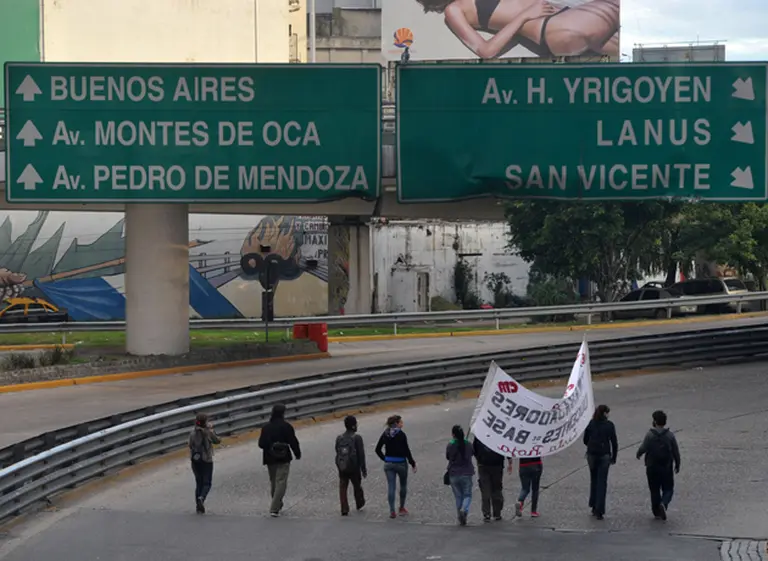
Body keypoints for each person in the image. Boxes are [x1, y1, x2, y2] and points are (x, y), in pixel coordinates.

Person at [413, 0, 619, 59]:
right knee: (627, 7)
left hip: (564, 20)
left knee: (636, 47)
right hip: (554, 26)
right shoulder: (453, 10)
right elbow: (486, 51)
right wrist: (525, 16)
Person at [636, 410, 681, 521]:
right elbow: (675, 451)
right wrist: (677, 463)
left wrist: (638, 454)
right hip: (666, 466)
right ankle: (664, 503)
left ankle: (656, 511)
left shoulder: (650, 434)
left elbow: (643, 447)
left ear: (655, 421)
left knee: (654, 489)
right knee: (668, 488)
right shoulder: (670, 435)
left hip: (652, 466)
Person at [258, 403, 302, 517]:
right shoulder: (286, 426)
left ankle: (277, 503)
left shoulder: (266, 427)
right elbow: (293, 441)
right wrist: (297, 453)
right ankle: (274, 508)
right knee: (281, 482)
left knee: (273, 482)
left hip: (269, 457)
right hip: (284, 457)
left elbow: (261, 444)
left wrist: (271, 446)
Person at [375, 415, 417, 518]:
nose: (402, 423)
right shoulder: (401, 435)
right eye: (401, 422)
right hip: (401, 463)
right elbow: (407, 451)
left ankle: (392, 511)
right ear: (397, 423)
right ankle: (401, 508)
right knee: (403, 486)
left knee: (391, 487)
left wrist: (385, 458)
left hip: (389, 463)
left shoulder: (385, 434)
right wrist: (412, 463)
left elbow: (377, 449)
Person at [583, 404, 618, 520]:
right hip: (604, 455)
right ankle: (600, 509)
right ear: (604, 413)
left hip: (592, 455)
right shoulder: (609, 425)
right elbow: (614, 442)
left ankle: (593, 504)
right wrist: (614, 457)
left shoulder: (591, 423)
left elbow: (585, 440)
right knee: (602, 482)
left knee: (594, 479)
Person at [188, 412, 221, 514]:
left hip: (195, 460)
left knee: (199, 482)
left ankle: (198, 505)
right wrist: (212, 430)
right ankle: (202, 498)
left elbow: (190, 445)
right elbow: (217, 441)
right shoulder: (208, 433)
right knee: (207, 482)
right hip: (206, 460)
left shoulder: (192, 433)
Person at [335, 415, 367, 516]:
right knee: (357, 485)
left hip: (342, 465)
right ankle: (359, 503)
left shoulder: (339, 438)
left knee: (343, 487)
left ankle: (344, 508)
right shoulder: (357, 438)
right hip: (354, 467)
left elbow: (337, 451)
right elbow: (361, 454)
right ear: (353, 426)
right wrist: (363, 468)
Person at [473, 436, 511, 522]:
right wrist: (509, 459)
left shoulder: (480, 434)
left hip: (485, 465)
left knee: (487, 490)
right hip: (495, 465)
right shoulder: (499, 433)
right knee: (495, 489)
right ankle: (496, 513)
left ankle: (488, 513)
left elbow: (474, 450)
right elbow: (505, 446)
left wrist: (479, 459)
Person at [446, 425, 475, 526]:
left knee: (458, 496)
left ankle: (460, 516)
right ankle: (464, 509)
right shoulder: (468, 444)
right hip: (466, 473)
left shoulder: (450, 444)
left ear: (453, 434)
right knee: (467, 495)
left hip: (454, 473)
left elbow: (447, 456)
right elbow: (472, 453)